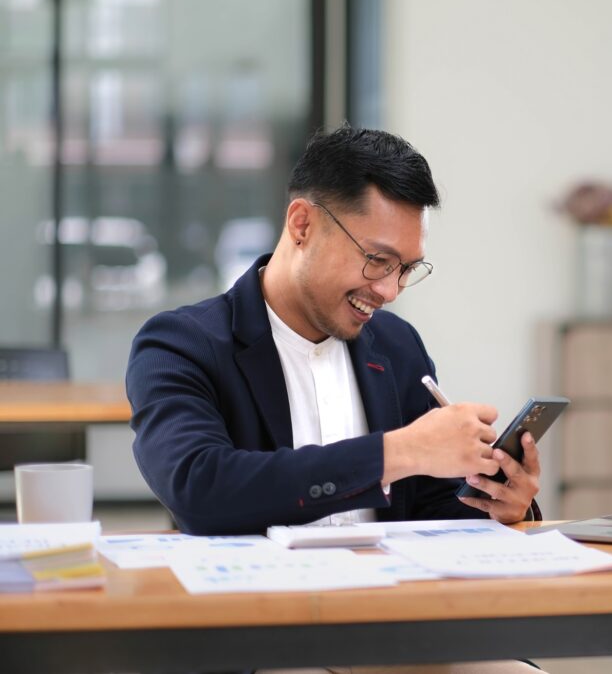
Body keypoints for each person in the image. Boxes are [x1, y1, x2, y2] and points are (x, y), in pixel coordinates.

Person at [126, 125, 544, 674]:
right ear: (302, 224)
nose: (389, 290)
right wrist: (397, 452)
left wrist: (501, 504)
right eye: (377, 259)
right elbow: (200, 487)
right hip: (262, 637)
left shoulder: (396, 347)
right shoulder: (182, 344)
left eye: (406, 270)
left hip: (396, 630)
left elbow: (434, 506)